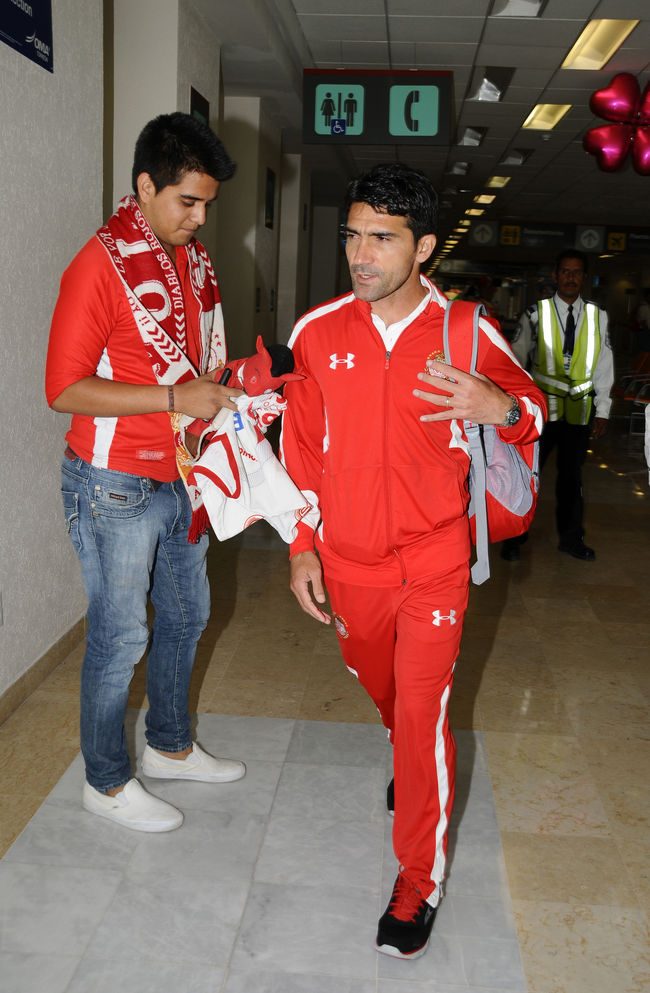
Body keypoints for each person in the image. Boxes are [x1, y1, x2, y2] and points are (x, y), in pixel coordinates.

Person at [280, 163, 546, 960]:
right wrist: (301, 545)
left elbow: (534, 410)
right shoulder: (318, 333)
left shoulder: (465, 331)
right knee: (385, 690)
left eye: (382, 238)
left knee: (425, 715)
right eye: (353, 235)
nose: (360, 255)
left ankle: (417, 880)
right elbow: (302, 453)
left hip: (435, 560)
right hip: (349, 562)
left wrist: (501, 406)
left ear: (424, 247)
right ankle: (408, 753)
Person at [45, 112, 246, 833]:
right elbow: (63, 388)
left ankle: (169, 746)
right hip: (113, 481)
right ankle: (104, 782)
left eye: (207, 205)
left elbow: (196, 366)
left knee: (188, 615)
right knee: (120, 635)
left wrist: (230, 390)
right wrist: (173, 398)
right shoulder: (98, 265)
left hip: (182, 472)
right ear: (144, 186)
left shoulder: (192, 264)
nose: (199, 218)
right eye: (187, 201)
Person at [503, 248, 614, 562]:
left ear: (584, 278)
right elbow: (516, 360)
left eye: (577, 272)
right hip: (540, 411)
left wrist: (603, 409)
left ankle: (571, 539)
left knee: (572, 478)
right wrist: (513, 406)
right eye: (565, 271)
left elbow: (604, 364)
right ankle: (514, 537)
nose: (571, 278)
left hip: (579, 411)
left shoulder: (598, 315)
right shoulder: (534, 314)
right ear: (555, 276)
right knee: (526, 474)